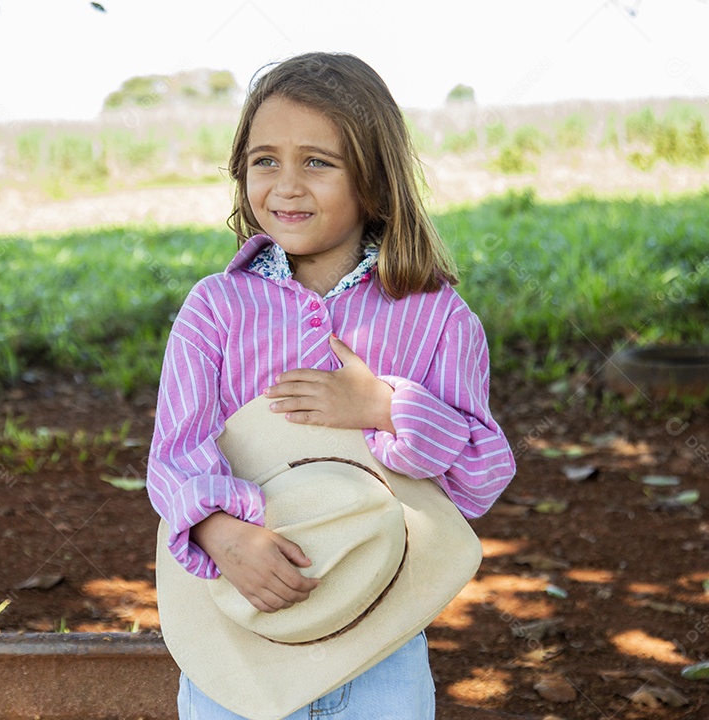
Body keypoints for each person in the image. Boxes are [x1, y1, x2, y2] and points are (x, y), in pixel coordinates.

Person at [147, 51, 515, 720]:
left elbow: (483, 476)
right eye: (265, 160)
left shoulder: (436, 316)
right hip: (240, 636)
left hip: (380, 645)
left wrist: (386, 407)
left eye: (317, 161)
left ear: (373, 181)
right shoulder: (216, 309)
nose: (286, 185)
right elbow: (175, 454)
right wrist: (222, 534)